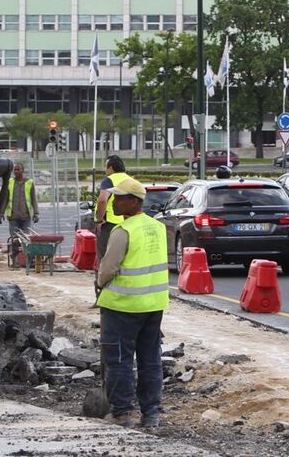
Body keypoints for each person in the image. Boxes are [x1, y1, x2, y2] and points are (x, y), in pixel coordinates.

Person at [96, 177, 169, 429]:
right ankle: (151, 415)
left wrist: (100, 284)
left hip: (122, 305)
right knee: (150, 359)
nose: (114, 202)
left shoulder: (123, 230)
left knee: (118, 359)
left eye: (119, 198)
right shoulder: (156, 227)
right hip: (153, 305)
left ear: (133, 202)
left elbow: (108, 269)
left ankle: (122, 414)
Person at [94, 155, 131, 269]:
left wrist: (99, 220)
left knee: (105, 258)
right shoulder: (131, 180)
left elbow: (102, 200)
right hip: (128, 224)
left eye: (106, 167)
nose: (105, 170)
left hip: (109, 225)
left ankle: (102, 284)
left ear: (111, 168)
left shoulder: (109, 180)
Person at [0, 162, 39, 237]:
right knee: (14, 239)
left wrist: (36, 213)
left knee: (26, 239)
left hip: (26, 217)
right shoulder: (10, 182)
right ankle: (14, 249)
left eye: (18, 169)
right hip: (13, 217)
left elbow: (34, 199)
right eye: (14, 170)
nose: (15, 171)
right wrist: (1, 213)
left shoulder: (29, 182)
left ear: (22, 171)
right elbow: (5, 199)